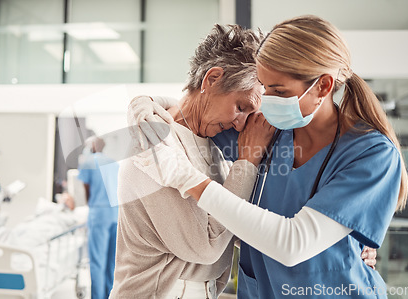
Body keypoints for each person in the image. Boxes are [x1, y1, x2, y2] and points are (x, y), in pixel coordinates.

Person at [133, 15, 407, 298]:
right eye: (264, 86)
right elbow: (191, 115)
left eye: (279, 91)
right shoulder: (264, 131)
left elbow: (293, 244)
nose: (267, 99)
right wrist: (143, 106)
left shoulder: (371, 154)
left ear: (323, 87)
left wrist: (187, 179)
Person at [111, 24, 268, 299]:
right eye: (241, 106)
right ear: (212, 79)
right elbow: (205, 246)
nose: (241, 123)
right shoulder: (153, 144)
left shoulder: (214, 143)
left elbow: (235, 225)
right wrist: (247, 161)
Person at [78, 136, 119, 299]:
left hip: (99, 214)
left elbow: (86, 189)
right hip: (116, 214)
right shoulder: (114, 163)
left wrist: (91, 202)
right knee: (111, 262)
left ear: (92, 146)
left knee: (97, 261)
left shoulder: (88, 162)